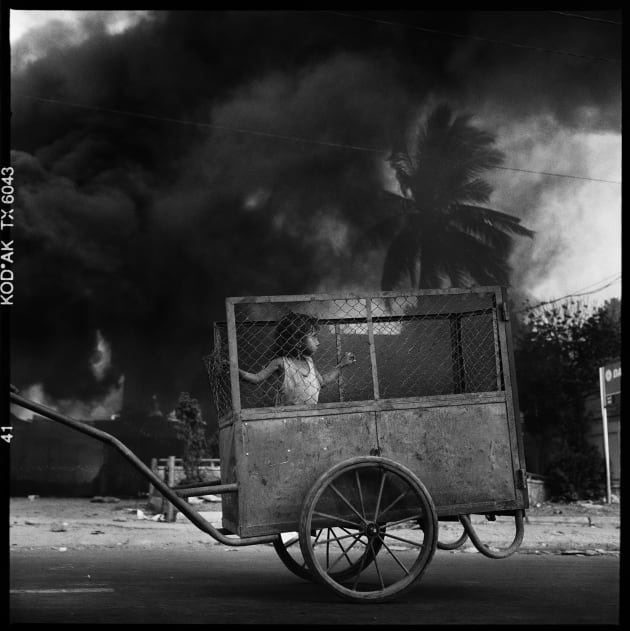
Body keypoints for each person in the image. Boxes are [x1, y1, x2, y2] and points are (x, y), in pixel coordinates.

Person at [238, 311, 356, 405]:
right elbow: (257, 378)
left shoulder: (309, 362)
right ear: (298, 341)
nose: (318, 342)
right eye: (314, 337)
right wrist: (236, 372)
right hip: (288, 418)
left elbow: (323, 382)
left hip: (310, 417)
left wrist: (342, 365)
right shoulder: (281, 362)